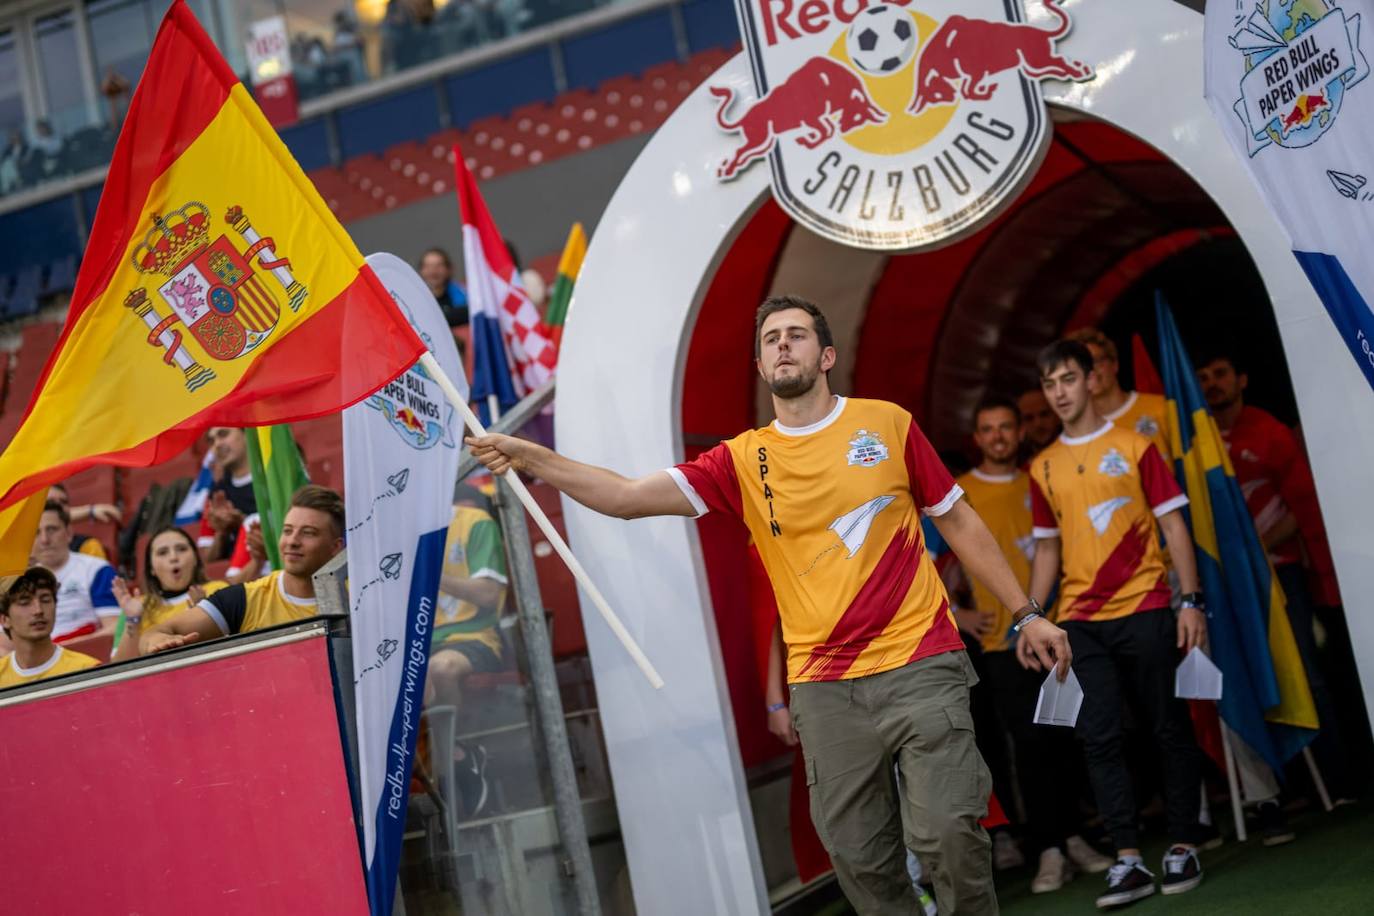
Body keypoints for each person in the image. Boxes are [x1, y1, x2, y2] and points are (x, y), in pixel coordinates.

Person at [467, 294, 1072, 914]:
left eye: (797, 335)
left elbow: (960, 522)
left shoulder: (887, 423)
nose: (783, 344)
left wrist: (1027, 613)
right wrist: (532, 457)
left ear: (826, 354)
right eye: (770, 339)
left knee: (948, 833)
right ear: (761, 365)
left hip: (921, 663)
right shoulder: (739, 458)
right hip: (825, 688)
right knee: (860, 860)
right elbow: (625, 497)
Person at [1024, 339, 1208, 907]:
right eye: (1050, 383)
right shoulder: (1042, 465)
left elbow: (1175, 527)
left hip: (1149, 605)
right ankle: (1127, 861)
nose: (1058, 393)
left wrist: (1192, 601)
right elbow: (1048, 551)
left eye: (1068, 379)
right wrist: (1029, 618)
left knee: (1167, 727)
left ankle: (1182, 844)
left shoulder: (1136, 445)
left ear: (1092, 379)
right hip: (1081, 621)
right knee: (1097, 738)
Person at [953, 395, 1114, 893]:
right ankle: (1047, 847)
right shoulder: (960, 492)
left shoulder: (1039, 477)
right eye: (988, 428)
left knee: (1069, 738)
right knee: (1028, 748)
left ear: (1020, 432)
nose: (999, 436)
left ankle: (1075, 837)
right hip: (1004, 645)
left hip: (1059, 634)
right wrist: (958, 613)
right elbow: (925, 558)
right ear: (977, 438)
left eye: (1007, 426)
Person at [1196, 351, 1355, 805]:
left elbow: (1301, 505)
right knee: (1253, 681)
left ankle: (1339, 782)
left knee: (1304, 674)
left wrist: (1254, 551)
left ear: (1242, 378)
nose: (1213, 383)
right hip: (1228, 588)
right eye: (1204, 376)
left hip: (1279, 578)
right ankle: (1288, 791)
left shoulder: (1269, 432)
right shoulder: (1197, 444)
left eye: (1221, 372)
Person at [139, 486, 344, 653]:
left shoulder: (359, 597)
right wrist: (158, 640)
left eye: (308, 533)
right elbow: (156, 633)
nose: (292, 541)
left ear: (336, 547)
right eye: (287, 531)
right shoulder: (244, 599)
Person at [427, 484, 509, 816]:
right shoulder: (391, 534)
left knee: (440, 669)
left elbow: (489, 594)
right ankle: (451, 762)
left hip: (474, 636)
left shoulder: (474, 522)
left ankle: (456, 760)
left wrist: (431, 576)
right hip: (417, 643)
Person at [110, 526, 229, 661]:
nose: (173, 557)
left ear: (196, 559)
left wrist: (204, 615)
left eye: (181, 549)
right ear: (151, 569)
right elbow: (119, 668)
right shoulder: (135, 606)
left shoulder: (218, 590)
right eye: (162, 552)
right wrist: (133, 619)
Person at [1068, 328, 1171, 460]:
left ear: (1115, 364)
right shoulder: (1079, 436)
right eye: (1080, 367)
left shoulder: (1161, 406)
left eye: (1096, 361)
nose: (1090, 372)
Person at [32, 501, 120, 640]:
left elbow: (115, 628)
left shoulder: (96, 570)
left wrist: (64, 648)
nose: (44, 540)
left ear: (69, 533)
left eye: (51, 529)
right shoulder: (20, 582)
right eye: (36, 532)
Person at [0, 567, 101, 688]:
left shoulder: (87, 670)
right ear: (4, 619)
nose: (38, 610)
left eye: (46, 600)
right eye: (24, 602)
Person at [197, 427, 256, 561]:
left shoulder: (273, 479)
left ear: (247, 434)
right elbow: (207, 559)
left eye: (223, 434)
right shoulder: (217, 493)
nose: (217, 444)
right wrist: (222, 531)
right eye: (211, 441)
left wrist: (243, 523)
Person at [46, 481, 119, 560]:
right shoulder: (32, 547)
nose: (59, 508)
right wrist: (90, 511)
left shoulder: (88, 547)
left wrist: (91, 511)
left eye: (63, 502)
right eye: (51, 503)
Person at [418, 247, 470, 327]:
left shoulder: (463, 296)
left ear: (449, 269)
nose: (433, 271)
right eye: (428, 266)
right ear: (421, 270)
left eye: (439, 266)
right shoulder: (414, 298)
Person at [1017, 387, 1061, 459]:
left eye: (1044, 414)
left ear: (1057, 416)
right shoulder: (1019, 467)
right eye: (1029, 418)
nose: (1038, 424)